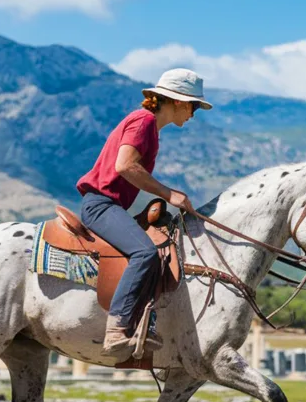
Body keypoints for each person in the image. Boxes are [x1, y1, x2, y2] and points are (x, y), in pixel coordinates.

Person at [76, 68, 212, 358]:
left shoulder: (149, 126)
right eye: (194, 106)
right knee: (145, 253)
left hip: (108, 205)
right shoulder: (144, 121)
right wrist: (169, 194)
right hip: (101, 205)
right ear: (178, 101)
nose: (194, 113)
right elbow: (125, 166)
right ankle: (117, 330)